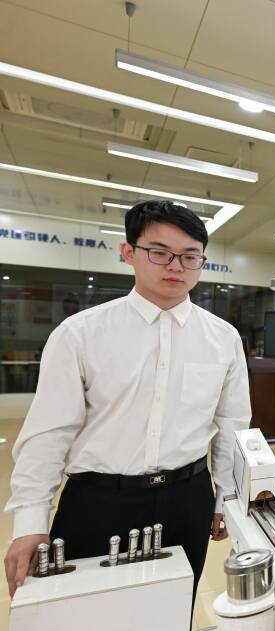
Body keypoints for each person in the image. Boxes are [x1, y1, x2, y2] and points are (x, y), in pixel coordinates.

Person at [4, 200, 250, 600]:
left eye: (190, 256)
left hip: (187, 499)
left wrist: (228, 498)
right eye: (160, 253)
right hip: (97, 502)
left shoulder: (223, 338)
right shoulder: (80, 333)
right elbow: (49, 432)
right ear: (128, 252)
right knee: (85, 619)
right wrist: (30, 522)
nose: (176, 267)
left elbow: (232, 426)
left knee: (173, 616)